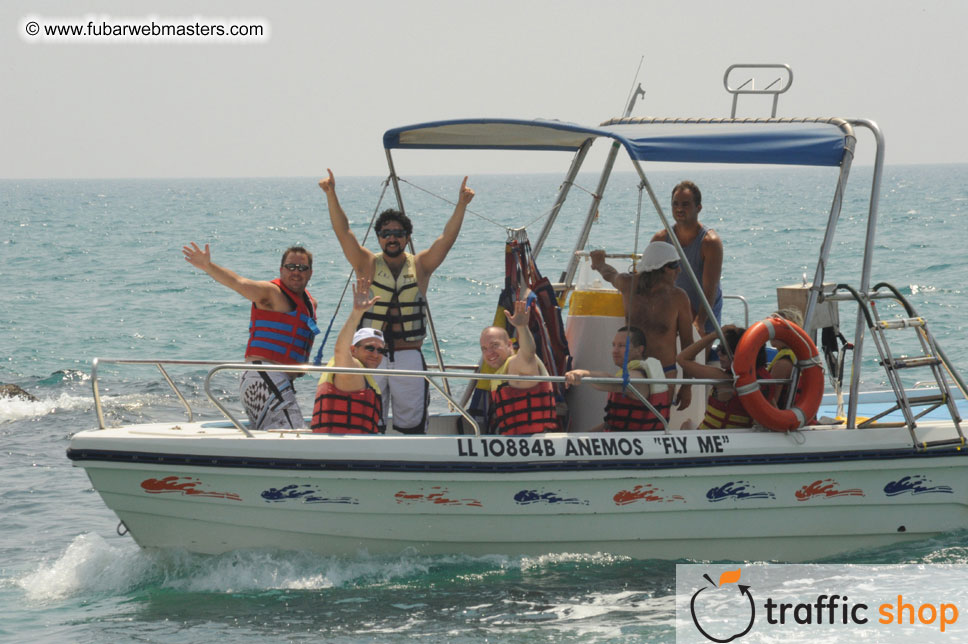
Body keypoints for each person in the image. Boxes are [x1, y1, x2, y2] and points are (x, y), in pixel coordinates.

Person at [319, 169, 474, 435]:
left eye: (399, 233)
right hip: (370, 357)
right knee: (369, 418)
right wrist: (331, 194)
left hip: (408, 355)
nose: (392, 238)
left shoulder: (422, 265)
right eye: (386, 233)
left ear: (407, 237)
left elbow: (446, 239)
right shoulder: (366, 263)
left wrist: (461, 204)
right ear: (379, 237)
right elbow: (343, 232)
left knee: (412, 424)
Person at [183, 243, 318, 430]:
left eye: (302, 268)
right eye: (290, 267)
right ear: (281, 270)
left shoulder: (310, 304)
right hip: (264, 378)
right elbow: (239, 283)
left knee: (275, 435)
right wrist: (208, 266)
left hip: (277, 381)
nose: (296, 272)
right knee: (295, 434)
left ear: (310, 273)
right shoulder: (271, 293)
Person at [589, 241, 693, 410]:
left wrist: (687, 387)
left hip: (664, 372)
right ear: (658, 268)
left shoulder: (678, 298)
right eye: (674, 265)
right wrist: (599, 264)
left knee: (658, 420)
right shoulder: (628, 284)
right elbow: (610, 274)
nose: (679, 270)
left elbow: (688, 345)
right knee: (626, 417)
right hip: (633, 370)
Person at [311, 277, 386, 434]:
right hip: (344, 446)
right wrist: (357, 313)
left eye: (380, 350)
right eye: (370, 348)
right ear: (353, 350)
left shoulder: (365, 376)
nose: (375, 354)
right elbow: (340, 350)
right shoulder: (352, 370)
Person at [651, 181, 723, 335]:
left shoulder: (710, 242)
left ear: (699, 208)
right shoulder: (660, 239)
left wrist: (700, 322)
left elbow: (710, 288)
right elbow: (649, 280)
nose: (679, 209)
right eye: (675, 204)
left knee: (695, 348)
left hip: (705, 313)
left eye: (685, 204)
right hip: (674, 312)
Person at [565, 326, 670, 431]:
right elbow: (611, 424)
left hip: (634, 439)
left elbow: (613, 382)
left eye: (622, 346)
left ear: (639, 350)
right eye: (614, 345)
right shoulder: (631, 372)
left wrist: (585, 374)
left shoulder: (638, 377)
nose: (615, 351)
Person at [479, 300, 559, 435]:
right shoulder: (500, 373)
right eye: (484, 349)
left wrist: (522, 327)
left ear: (509, 344)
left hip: (537, 441)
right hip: (516, 441)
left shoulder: (515, 364)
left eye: (494, 345)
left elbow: (528, 353)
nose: (489, 353)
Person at [677, 325, 769, 429]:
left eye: (724, 350)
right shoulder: (762, 382)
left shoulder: (722, 379)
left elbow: (682, 359)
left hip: (711, 436)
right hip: (737, 435)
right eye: (719, 348)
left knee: (686, 425)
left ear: (739, 354)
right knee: (688, 424)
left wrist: (714, 335)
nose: (719, 353)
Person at [767, 308, 805, 409]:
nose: (773, 333)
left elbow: (771, 402)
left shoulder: (783, 364)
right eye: (772, 328)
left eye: (778, 329)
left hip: (784, 415)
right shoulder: (799, 355)